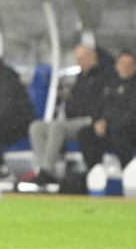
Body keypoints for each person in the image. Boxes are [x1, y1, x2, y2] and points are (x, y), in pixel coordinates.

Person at [23, 44, 111, 186]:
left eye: (81, 59)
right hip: (74, 119)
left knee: (57, 126)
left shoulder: (103, 77)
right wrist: (68, 99)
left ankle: (47, 170)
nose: (78, 63)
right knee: (37, 127)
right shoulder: (81, 77)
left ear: (92, 57)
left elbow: (99, 103)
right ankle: (42, 169)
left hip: (91, 120)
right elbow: (75, 103)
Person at [78, 50, 136, 173]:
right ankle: (94, 171)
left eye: (128, 65)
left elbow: (131, 114)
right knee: (85, 133)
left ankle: (127, 173)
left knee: (120, 134)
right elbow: (100, 106)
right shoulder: (110, 84)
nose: (124, 68)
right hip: (108, 128)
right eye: (122, 64)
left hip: (128, 130)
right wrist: (98, 121)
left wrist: (109, 123)